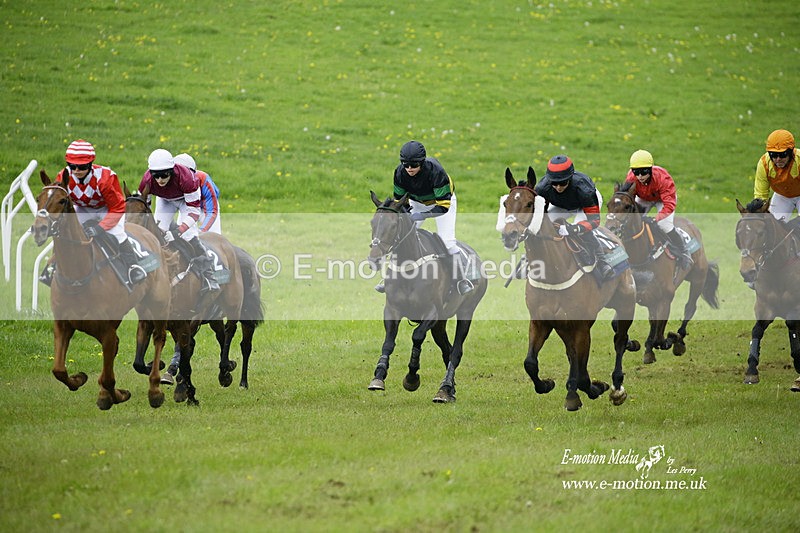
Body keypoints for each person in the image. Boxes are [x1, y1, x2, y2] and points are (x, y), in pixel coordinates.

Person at [39, 139, 146, 286]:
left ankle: (133, 267)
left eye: (82, 166)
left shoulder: (106, 178)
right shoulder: (63, 176)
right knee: (65, 231)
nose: (77, 170)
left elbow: (117, 208)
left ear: (90, 164)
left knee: (117, 233)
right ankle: (52, 267)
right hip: (82, 208)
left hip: (108, 209)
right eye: (72, 166)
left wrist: (99, 228)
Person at [376, 140, 473, 295]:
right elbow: (400, 202)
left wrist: (422, 215)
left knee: (447, 242)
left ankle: (462, 280)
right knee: (400, 236)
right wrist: (407, 215)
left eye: (414, 165)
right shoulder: (399, 173)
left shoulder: (436, 172)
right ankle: (389, 278)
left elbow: (443, 207)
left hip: (442, 203)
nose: (409, 168)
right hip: (416, 203)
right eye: (406, 164)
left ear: (421, 162)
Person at [161, 153, 223, 385]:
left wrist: (199, 233)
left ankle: (214, 278)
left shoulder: (203, 181)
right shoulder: (175, 183)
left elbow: (211, 213)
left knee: (204, 243)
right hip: (188, 212)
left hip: (208, 215)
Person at [139, 148, 219, 292]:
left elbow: (195, 213)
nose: (160, 180)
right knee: (159, 230)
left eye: (164, 175)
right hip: (165, 200)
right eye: (156, 176)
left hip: (188, 202)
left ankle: (209, 274)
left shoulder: (188, 179)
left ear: (172, 171)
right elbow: (145, 209)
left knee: (189, 234)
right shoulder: (146, 180)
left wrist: (179, 231)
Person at [534, 154, 614, 279]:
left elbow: (595, 221)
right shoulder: (542, 189)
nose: (558, 187)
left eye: (562, 183)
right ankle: (529, 260)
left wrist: (574, 229)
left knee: (580, 231)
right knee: (542, 226)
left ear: (570, 178)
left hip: (584, 205)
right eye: (554, 183)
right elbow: (540, 216)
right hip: (562, 205)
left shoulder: (585, 190)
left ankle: (603, 262)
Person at [625, 149, 693, 271]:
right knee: (633, 221)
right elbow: (628, 197)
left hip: (663, 200)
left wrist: (656, 219)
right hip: (644, 198)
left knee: (664, 225)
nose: (640, 176)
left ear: (650, 169)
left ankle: (684, 251)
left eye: (643, 172)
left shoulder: (663, 179)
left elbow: (669, 205)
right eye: (636, 172)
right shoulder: (631, 178)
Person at [753, 129, 800, 223]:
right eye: (773, 155)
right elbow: (761, 195)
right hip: (782, 195)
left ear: (791, 152)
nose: (778, 159)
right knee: (771, 224)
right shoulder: (764, 164)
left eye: (783, 155)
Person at [173, 153, 222, 234]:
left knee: (212, 235)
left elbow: (211, 212)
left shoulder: (204, 180)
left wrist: (202, 231)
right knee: (183, 235)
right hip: (188, 208)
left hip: (206, 208)